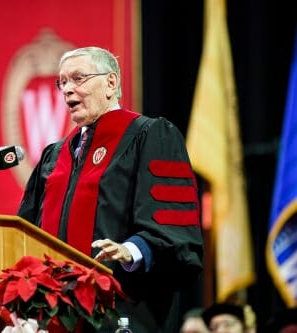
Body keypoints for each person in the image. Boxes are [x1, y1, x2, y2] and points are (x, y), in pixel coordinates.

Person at [17, 46, 204, 332]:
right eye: (62, 82)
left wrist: (132, 250)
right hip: (54, 317)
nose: (67, 89)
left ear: (111, 82)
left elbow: (173, 227)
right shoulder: (54, 156)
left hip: (121, 309)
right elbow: (26, 231)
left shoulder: (150, 135)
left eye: (78, 78)